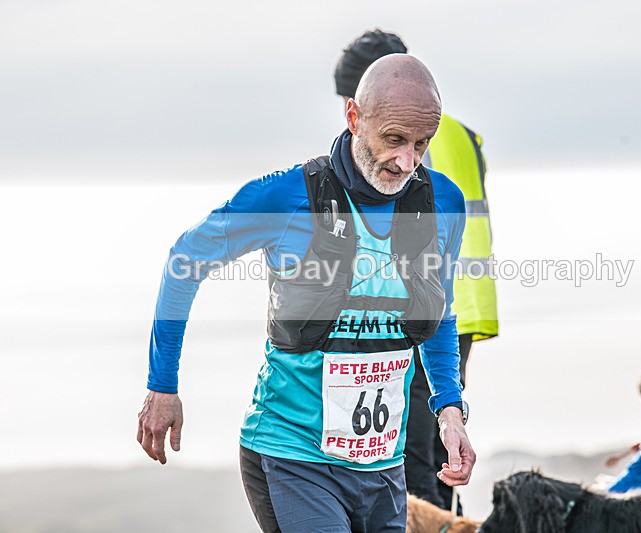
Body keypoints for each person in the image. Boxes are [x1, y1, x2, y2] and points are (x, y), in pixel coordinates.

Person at [136, 54, 476, 532]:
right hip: (293, 458)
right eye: (394, 140)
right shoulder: (286, 197)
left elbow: (439, 314)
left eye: (422, 144)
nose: (407, 162)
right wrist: (162, 386)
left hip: (383, 466)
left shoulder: (444, 203)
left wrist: (450, 410)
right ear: (354, 117)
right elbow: (184, 262)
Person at [333, 29, 498, 514]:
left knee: (412, 453)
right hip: (463, 301)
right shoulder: (461, 133)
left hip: (425, 304)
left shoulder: (412, 138)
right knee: (436, 449)